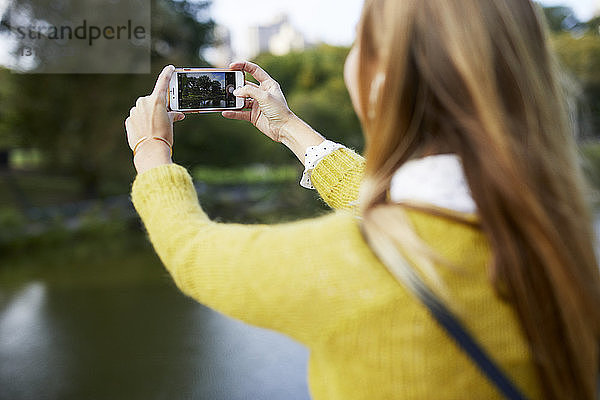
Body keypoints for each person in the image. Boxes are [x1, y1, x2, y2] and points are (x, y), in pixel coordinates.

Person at [125, 0, 600, 398]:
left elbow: (191, 251)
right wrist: (287, 127)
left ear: (381, 78)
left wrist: (152, 151)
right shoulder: (559, 243)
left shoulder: (350, 267)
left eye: (357, 41)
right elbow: (391, 211)